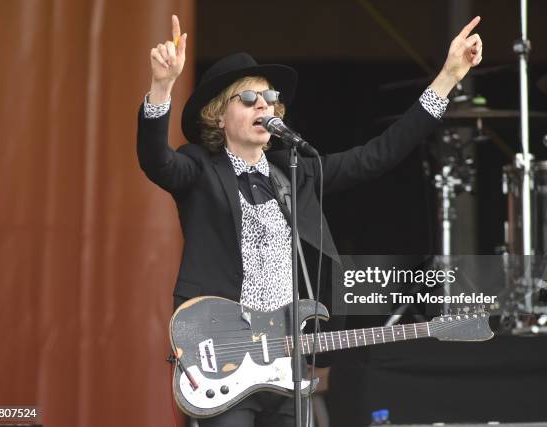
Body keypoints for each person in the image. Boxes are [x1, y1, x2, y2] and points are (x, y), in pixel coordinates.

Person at [137, 14, 482, 427]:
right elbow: (156, 161)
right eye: (248, 98)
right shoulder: (200, 170)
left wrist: (446, 78)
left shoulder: (296, 173)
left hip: (287, 362)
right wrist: (162, 87)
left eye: (269, 98)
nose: (263, 105)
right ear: (218, 116)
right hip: (224, 359)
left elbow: (379, 154)